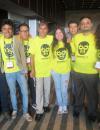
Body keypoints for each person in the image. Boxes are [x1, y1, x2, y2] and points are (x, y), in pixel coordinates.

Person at [0, 19, 32, 122]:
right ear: (1, 30)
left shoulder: (17, 39)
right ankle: (14, 110)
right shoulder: (0, 39)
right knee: (12, 93)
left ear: (12, 30)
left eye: (9, 29)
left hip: (20, 71)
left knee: (25, 92)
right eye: (4, 29)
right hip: (8, 72)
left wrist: (25, 70)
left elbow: (23, 55)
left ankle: (25, 112)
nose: (7, 31)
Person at [71, 16, 99, 121]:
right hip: (77, 71)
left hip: (91, 72)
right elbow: (73, 52)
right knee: (78, 93)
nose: (85, 24)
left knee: (92, 94)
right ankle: (77, 109)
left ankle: (92, 113)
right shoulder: (76, 38)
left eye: (87, 22)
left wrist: (98, 67)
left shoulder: (96, 37)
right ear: (80, 26)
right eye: (83, 23)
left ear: (91, 25)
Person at [30, 20, 53, 121]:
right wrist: (32, 70)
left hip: (49, 69)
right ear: (38, 29)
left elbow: (63, 41)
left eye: (45, 28)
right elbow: (32, 56)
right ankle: (39, 111)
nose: (43, 30)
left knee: (47, 89)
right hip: (38, 71)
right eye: (41, 28)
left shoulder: (51, 38)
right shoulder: (34, 40)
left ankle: (46, 105)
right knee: (39, 91)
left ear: (47, 30)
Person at [51, 26, 71, 114]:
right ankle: (60, 105)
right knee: (58, 89)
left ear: (64, 33)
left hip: (66, 71)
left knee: (64, 90)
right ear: (54, 35)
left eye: (60, 32)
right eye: (56, 33)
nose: (58, 34)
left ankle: (65, 105)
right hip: (55, 71)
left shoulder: (68, 43)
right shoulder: (52, 45)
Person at [18, 23, 36, 110]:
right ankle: (25, 104)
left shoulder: (32, 40)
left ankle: (34, 102)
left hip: (31, 68)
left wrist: (33, 69)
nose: (24, 33)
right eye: (22, 31)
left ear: (28, 31)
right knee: (23, 89)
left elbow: (34, 55)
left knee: (33, 87)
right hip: (21, 70)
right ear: (19, 32)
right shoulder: (16, 41)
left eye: (26, 31)